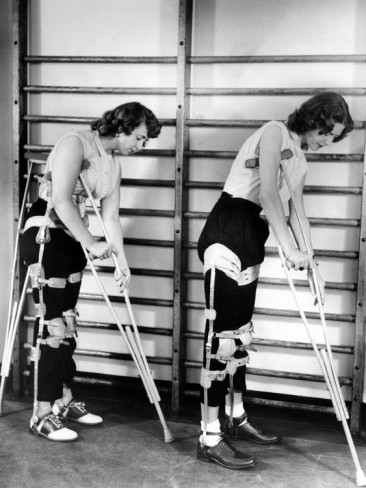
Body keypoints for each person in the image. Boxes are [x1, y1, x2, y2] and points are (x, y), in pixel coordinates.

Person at [196, 92, 354, 469]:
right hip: (229, 228)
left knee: (240, 337)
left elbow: (297, 212)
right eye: (325, 133)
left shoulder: (299, 161)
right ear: (314, 118)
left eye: (332, 138)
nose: (326, 142)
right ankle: (208, 435)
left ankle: (235, 417)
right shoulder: (274, 132)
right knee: (220, 341)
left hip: (252, 236)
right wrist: (289, 250)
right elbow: (268, 195)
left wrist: (312, 264)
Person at [20, 101, 161, 442]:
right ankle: (41, 413)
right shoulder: (75, 143)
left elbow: (110, 218)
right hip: (47, 235)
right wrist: (91, 242)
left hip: (73, 241)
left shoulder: (112, 164)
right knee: (52, 327)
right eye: (140, 138)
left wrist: (121, 261)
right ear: (122, 127)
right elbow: (63, 201)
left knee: (67, 324)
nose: (140, 146)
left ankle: (63, 401)